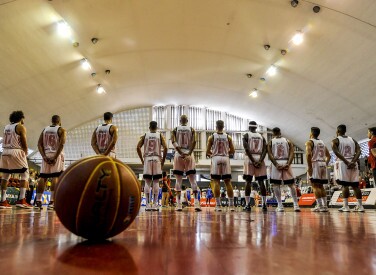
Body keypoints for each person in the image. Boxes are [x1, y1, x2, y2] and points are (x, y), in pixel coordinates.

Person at [0, 111, 31, 209]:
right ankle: (21, 200)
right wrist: (25, 152)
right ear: (20, 118)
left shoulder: (6, 127)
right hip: (16, 151)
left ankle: (3, 201)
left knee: (5, 176)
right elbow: (23, 141)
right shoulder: (20, 127)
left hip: (4, 152)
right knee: (25, 174)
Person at [34, 115, 66, 210]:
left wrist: (44, 156)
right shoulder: (61, 130)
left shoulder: (45, 130)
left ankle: (38, 201)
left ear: (51, 121)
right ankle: (52, 202)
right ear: (59, 121)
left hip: (46, 154)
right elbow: (62, 144)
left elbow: (39, 144)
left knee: (43, 177)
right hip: (56, 154)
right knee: (55, 176)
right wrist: (56, 156)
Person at [171, 115, 201, 212]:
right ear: (187, 121)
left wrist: (180, 152)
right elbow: (194, 141)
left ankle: (179, 204)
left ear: (180, 121)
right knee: (193, 180)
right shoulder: (191, 129)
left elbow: (173, 141)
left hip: (178, 154)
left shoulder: (175, 129)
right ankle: (196, 204)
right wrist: (189, 153)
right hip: (189, 153)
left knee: (178, 180)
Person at [267, 127, 300, 212]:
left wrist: (276, 164)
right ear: (280, 132)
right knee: (291, 184)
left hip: (276, 162)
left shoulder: (271, 142)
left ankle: (280, 206)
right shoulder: (287, 141)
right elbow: (292, 152)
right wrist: (288, 164)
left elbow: (270, 154)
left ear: (273, 133)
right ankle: (296, 205)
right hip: (286, 161)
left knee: (276, 184)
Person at [332, 124, 363, 212]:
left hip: (343, 163)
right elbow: (359, 150)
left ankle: (346, 206)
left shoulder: (335, 140)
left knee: (344, 185)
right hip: (353, 163)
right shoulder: (352, 140)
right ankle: (360, 206)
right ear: (345, 131)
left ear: (337, 131)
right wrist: (353, 161)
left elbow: (336, 152)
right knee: (355, 185)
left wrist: (347, 162)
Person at [137, 121, 167, 211]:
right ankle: (155, 204)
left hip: (147, 158)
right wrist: (163, 161)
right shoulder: (160, 135)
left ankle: (147, 205)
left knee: (147, 182)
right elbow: (165, 147)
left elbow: (138, 147)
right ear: (156, 127)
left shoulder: (145, 135)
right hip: (157, 158)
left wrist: (142, 160)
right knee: (156, 182)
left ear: (149, 127)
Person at [206, 120, 235, 212]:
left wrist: (214, 154)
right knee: (228, 182)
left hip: (216, 158)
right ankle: (231, 206)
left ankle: (218, 206)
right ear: (223, 126)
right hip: (225, 158)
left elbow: (207, 151)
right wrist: (225, 153)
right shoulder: (228, 137)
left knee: (216, 182)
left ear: (216, 126)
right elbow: (232, 151)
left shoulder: (211, 137)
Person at [243, 121, 268, 212]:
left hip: (250, 158)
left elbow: (246, 148)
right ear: (256, 127)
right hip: (260, 158)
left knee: (248, 181)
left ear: (249, 127)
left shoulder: (246, 135)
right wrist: (260, 161)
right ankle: (264, 204)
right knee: (261, 182)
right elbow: (265, 150)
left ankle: (247, 204)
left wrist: (253, 161)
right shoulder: (262, 137)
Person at [305, 127, 331, 212]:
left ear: (311, 133)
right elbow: (328, 156)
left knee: (315, 186)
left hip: (315, 164)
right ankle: (325, 206)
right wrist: (325, 164)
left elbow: (308, 154)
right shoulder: (322, 142)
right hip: (323, 163)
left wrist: (309, 167)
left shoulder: (309, 142)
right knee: (321, 186)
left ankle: (319, 206)